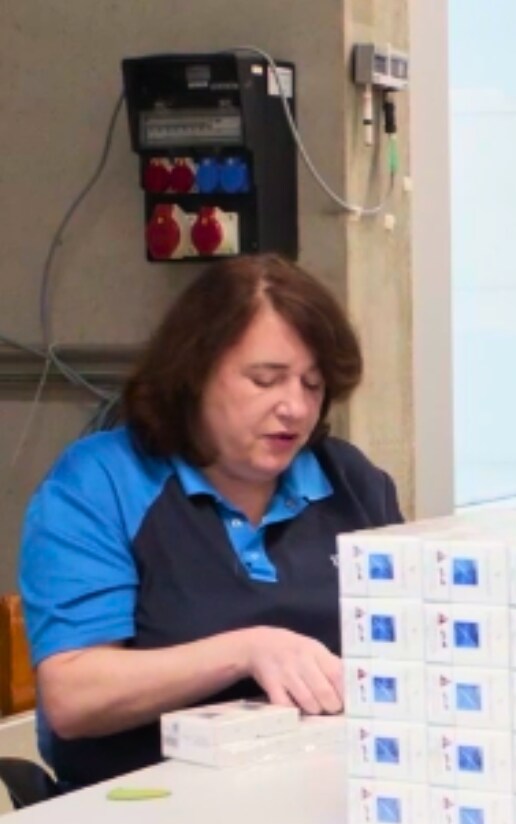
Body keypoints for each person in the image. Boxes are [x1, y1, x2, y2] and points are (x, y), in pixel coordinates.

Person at [21, 255, 405, 791]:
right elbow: (74, 696)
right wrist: (247, 651)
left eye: (313, 385)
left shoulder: (351, 482)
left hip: (322, 793)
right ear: (194, 375)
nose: (295, 408)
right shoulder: (102, 483)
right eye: (265, 380)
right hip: (145, 806)